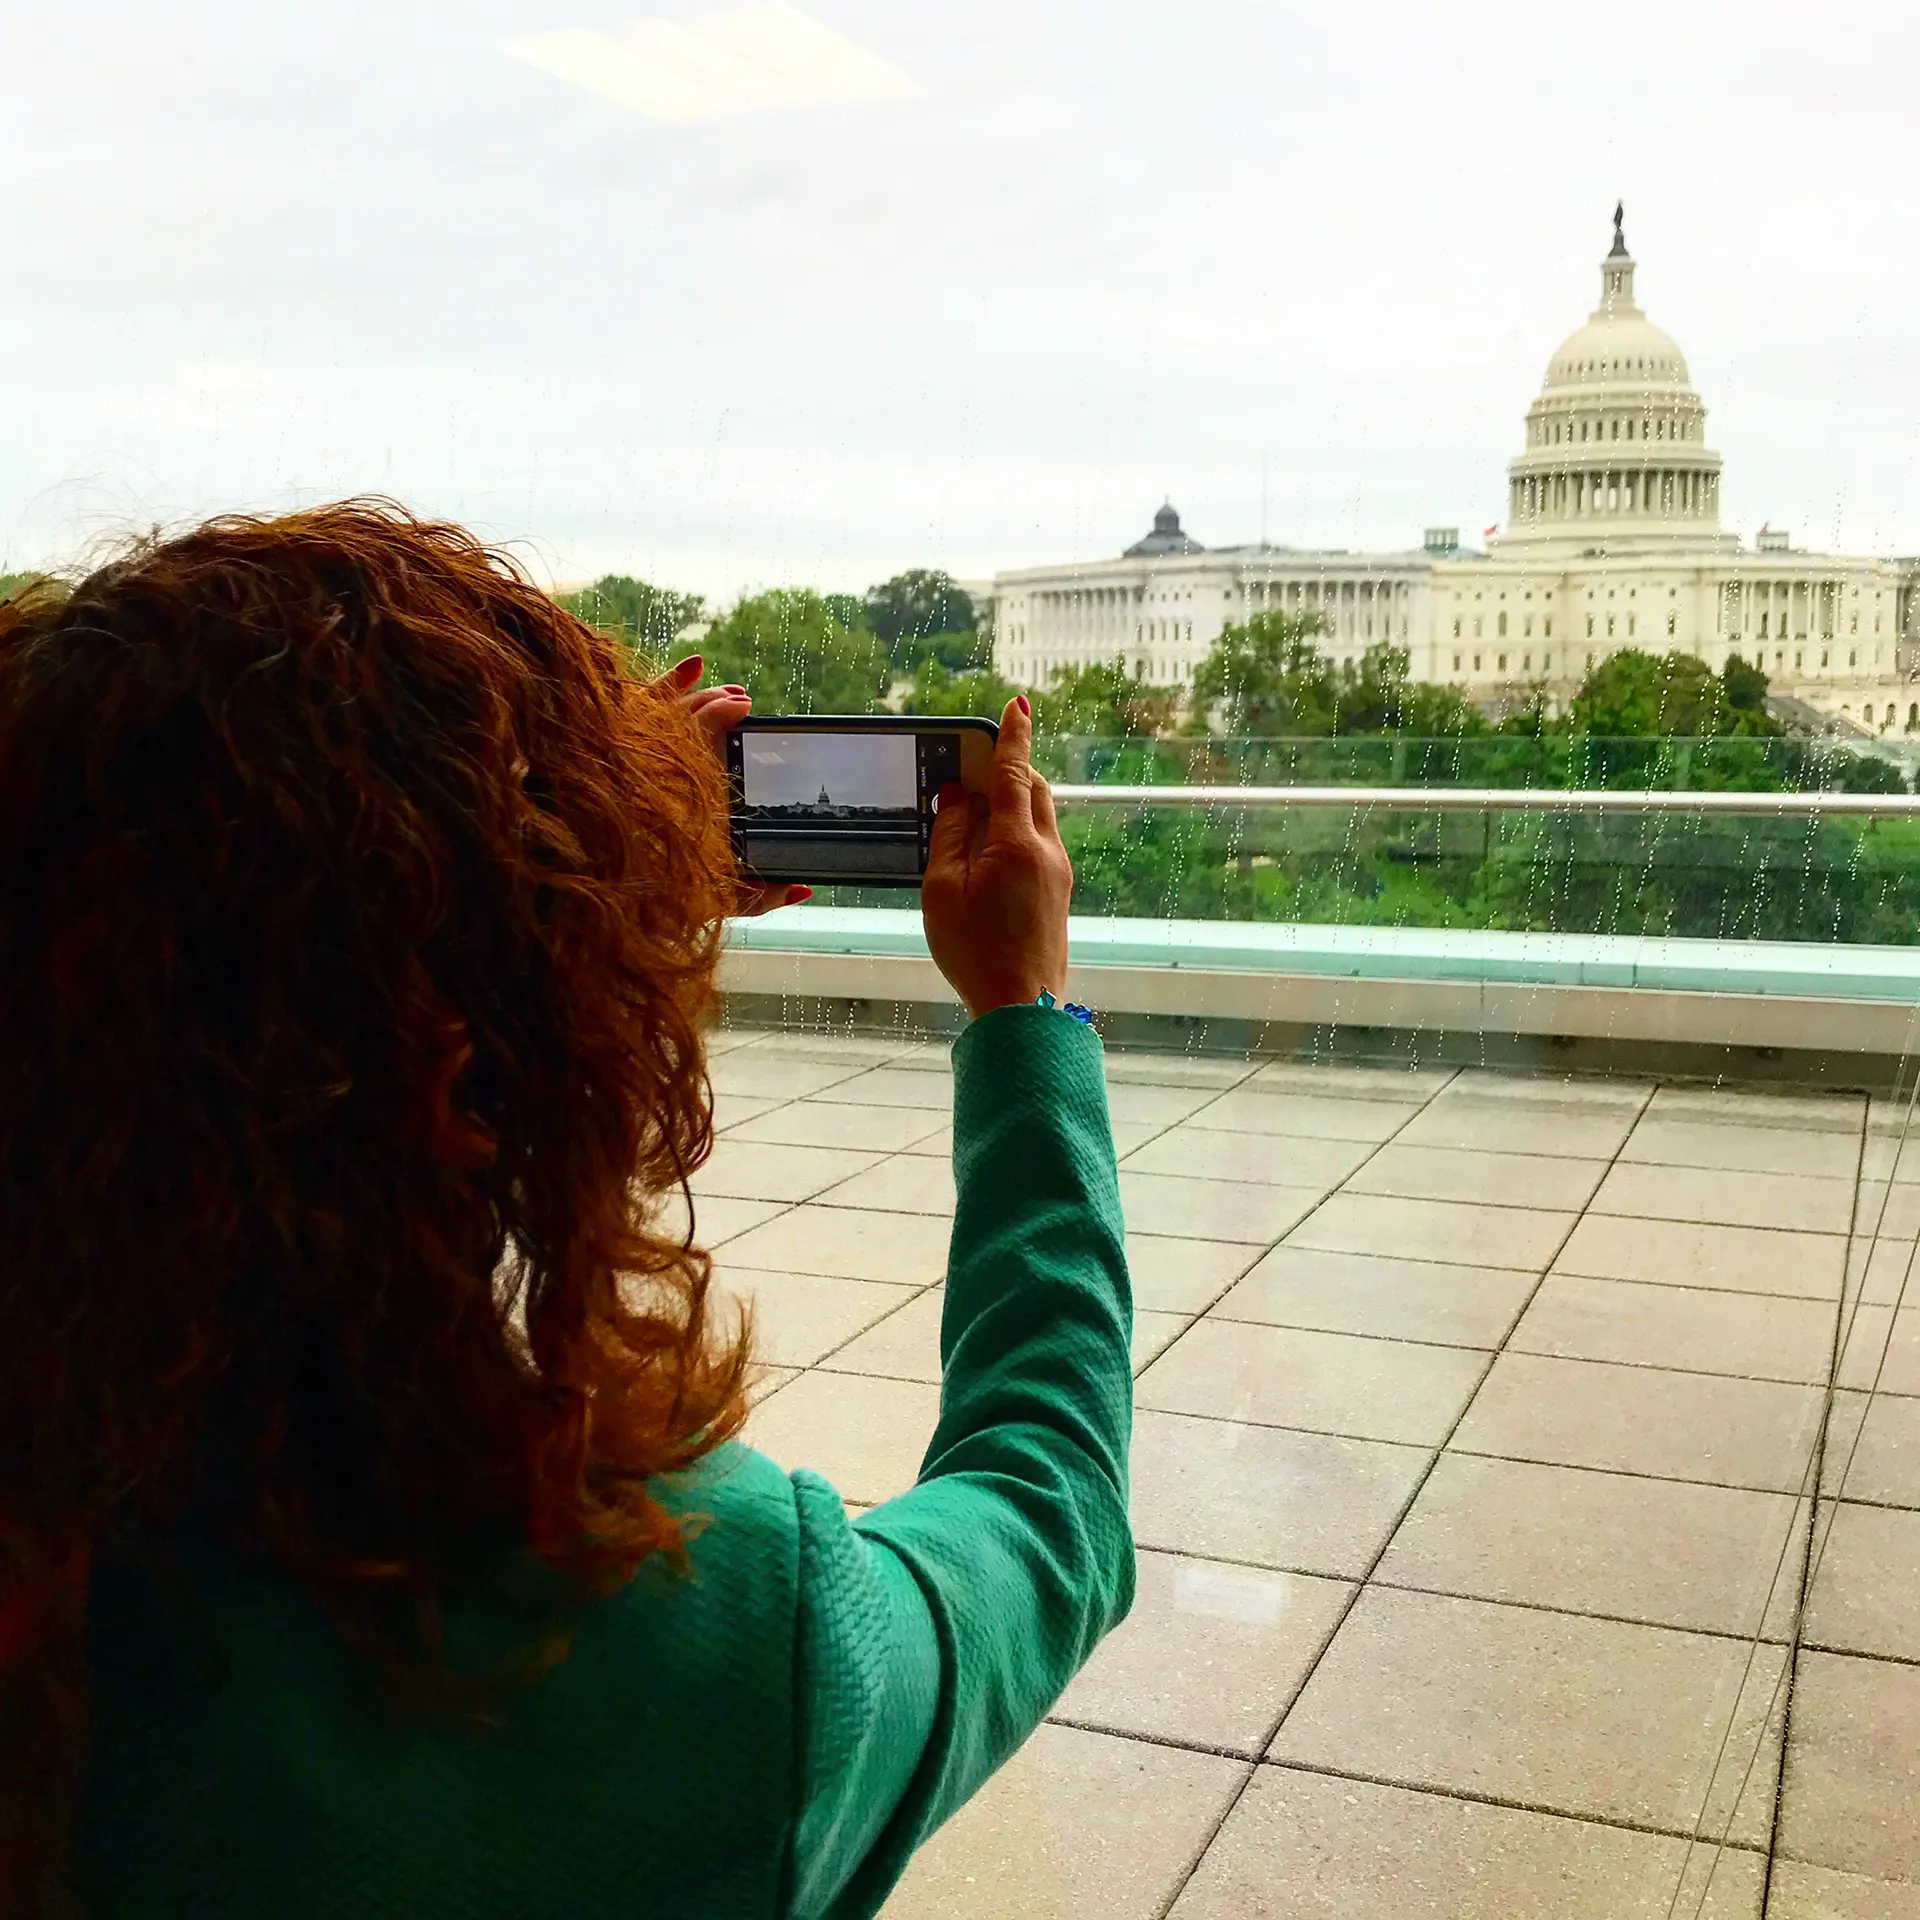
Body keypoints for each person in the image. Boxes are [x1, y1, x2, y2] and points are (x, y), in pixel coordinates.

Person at [0, 501, 1135, 1918]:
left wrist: (578, 891)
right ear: (470, 1076)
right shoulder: (696, 1640)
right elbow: (1046, 1507)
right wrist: (1027, 1017)